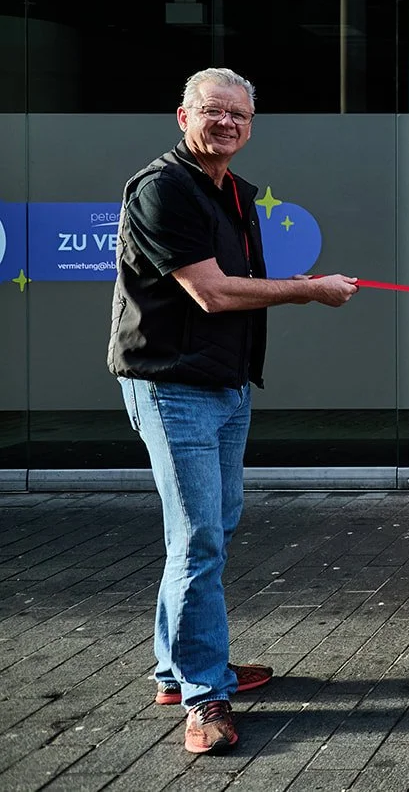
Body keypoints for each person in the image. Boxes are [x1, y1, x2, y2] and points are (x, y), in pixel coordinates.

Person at [108, 67, 358, 755]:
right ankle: (203, 696)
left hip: (227, 384)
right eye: (213, 111)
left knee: (210, 527)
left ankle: (180, 667)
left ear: (250, 125)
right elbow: (213, 293)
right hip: (171, 384)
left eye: (239, 115)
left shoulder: (238, 192)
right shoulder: (161, 188)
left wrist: (297, 287)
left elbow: (236, 287)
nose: (227, 123)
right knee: (199, 539)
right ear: (183, 117)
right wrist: (308, 290)